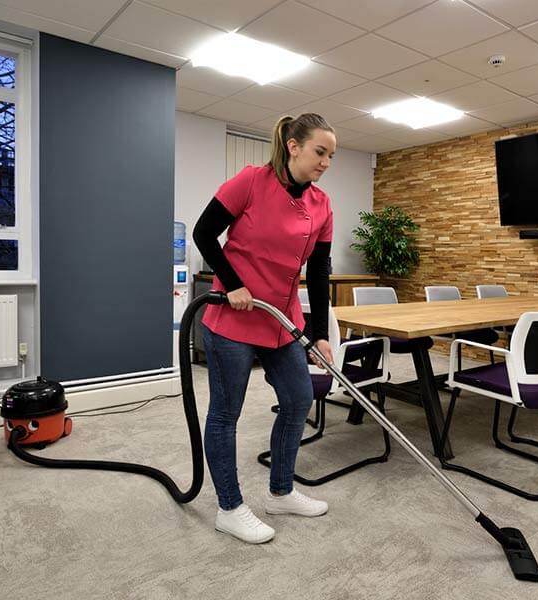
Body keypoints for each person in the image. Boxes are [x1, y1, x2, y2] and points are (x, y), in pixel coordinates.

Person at [192, 113, 337, 544]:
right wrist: (232, 283)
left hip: (282, 321)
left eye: (331, 155)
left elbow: (321, 271)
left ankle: (280, 491)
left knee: (298, 399)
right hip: (234, 318)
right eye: (320, 152)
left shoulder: (322, 204)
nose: (326, 162)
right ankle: (230, 508)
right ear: (293, 146)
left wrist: (321, 332)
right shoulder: (251, 181)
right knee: (225, 414)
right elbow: (203, 234)